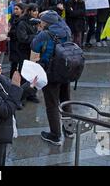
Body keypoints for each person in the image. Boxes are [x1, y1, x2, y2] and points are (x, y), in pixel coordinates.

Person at [31, 10, 73, 146]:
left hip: (51, 73)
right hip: (65, 70)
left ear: (46, 23)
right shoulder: (66, 30)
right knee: (66, 100)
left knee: (52, 104)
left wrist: (39, 31)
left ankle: (55, 135)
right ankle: (69, 130)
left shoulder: (45, 34)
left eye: (42, 21)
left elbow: (34, 46)